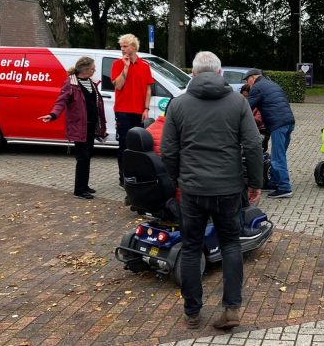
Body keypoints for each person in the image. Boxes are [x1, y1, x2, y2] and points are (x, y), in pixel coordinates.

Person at [161, 51, 263, 330]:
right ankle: (231, 307)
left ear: (193, 74)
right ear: (220, 74)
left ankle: (192, 312)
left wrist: (178, 179)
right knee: (231, 244)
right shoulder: (238, 102)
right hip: (229, 188)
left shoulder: (178, 105)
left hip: (193, 190)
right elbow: (253, 145)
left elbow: (168, 150)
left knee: (192, 248)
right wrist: (255, 183)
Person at [38, 57, 106, 199]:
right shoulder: (71, 83)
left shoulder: (91, 83)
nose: (95, 70)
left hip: (91, 126)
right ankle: (79, 190)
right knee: (82, 157)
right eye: (93, 68)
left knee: (88, 156)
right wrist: (53, 115)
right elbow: (61, 101)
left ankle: (84, 185)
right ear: (85, 69)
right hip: (79, 126)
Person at [244, 68, 296, 198]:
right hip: (289, 122)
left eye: (247, 80)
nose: (247, 83)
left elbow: (245, 108)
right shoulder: (272, 83)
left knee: (278, 157)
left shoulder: (257, 87)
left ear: (253, 78)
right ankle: (274, 182)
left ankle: (284, 188)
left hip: (278, 124)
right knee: (279, 155)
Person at [112, 33, 154, 188]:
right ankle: (123, 177)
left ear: (134, 47)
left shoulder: (145, 65)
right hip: (123, 111)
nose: (122, 49)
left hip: (139, 111)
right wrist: (126, 67)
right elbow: (118, 85)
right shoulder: (117, 64)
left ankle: (135, 174)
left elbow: (148, 89)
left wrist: (146, 108)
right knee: (124, 144)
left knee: (137, 145)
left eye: (125, 46)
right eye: (121, 46)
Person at [241, 84, 269, 152]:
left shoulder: (258, 104)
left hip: (261, 131)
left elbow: (258, 120)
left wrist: (244, 117)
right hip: (249, 131)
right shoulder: (240, 104)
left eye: (247, 97)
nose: (245, 99)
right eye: (243, 96)